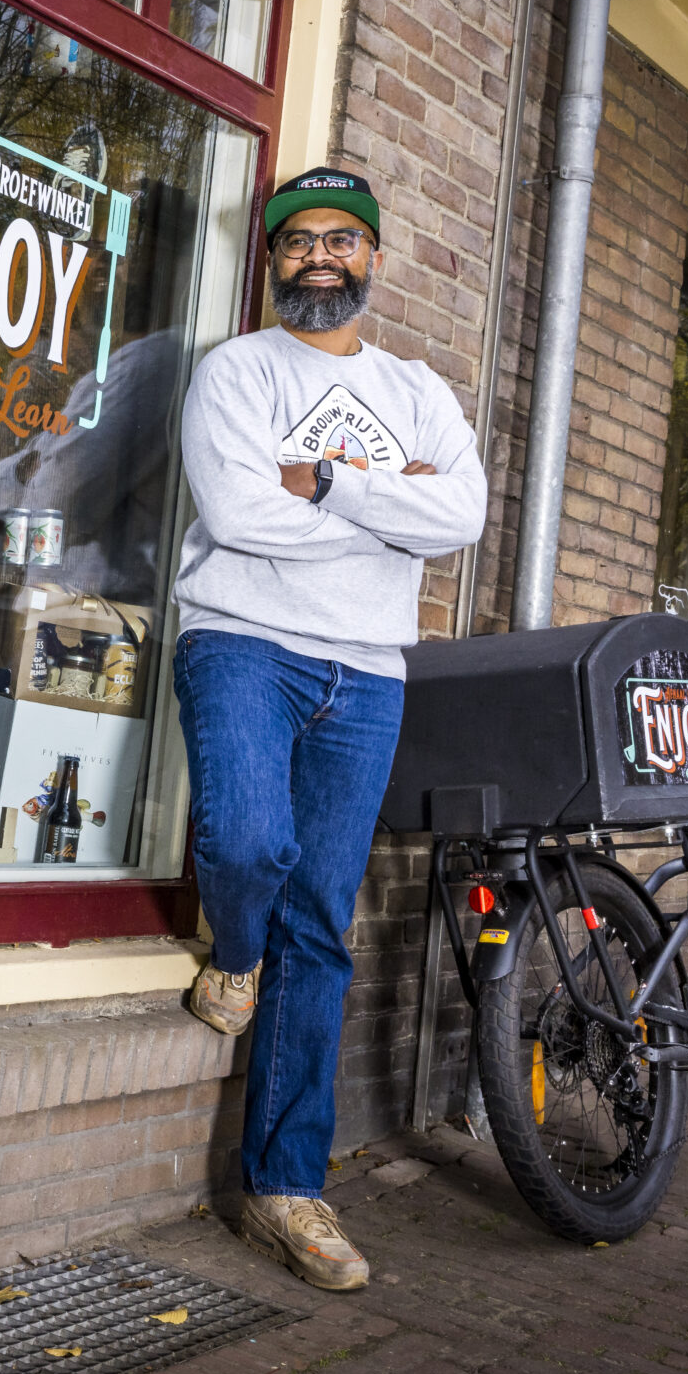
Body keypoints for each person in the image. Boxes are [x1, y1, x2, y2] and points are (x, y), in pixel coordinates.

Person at [169, 166, 486, 1291]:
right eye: (298, 239)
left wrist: (329, 484)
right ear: (272, 259)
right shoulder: (237, 372)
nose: (319, 255)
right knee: (248, 842)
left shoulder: (416, 389)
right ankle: (233, 955)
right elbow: (237, 513)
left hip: (370, 670)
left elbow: (459, 514)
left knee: (322, 925)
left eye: (341, 239)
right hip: (242, 641)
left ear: (373, 259)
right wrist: (390, 510)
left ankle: (286, 1189)